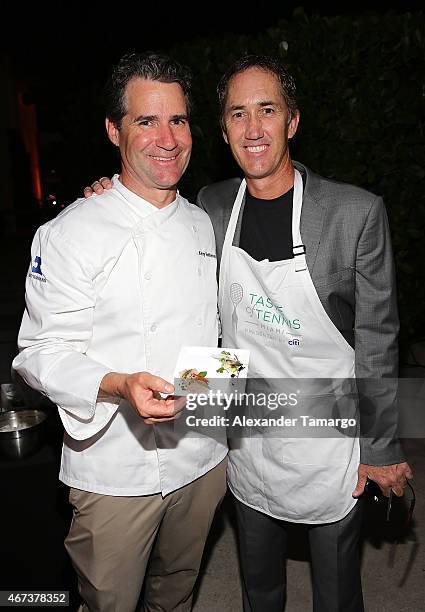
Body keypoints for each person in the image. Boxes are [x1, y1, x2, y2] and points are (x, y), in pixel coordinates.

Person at [84, 54, 413, 612]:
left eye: (267, 110)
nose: (253, 128)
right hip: (247, 429)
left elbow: (378, 341)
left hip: (329, 433)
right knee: (258, 590)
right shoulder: (210, 206)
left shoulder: (353, 213)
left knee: (336, 593)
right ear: (223, 129)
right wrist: (108, 197)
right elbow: (155, 221)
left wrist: (379, 445)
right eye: (238, 114)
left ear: (292, 120)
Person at [13, 52, 227, 612]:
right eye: (145, 121)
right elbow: (38, 353)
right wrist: (118, 383)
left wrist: (218, 412)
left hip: (202, 457)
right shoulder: (70, 232)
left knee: (177, 592)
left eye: (177, 120)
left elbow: (213, 330)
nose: (167, 137)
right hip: (113, 467)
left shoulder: (201, 222)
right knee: (108, 602)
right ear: (114, 131)